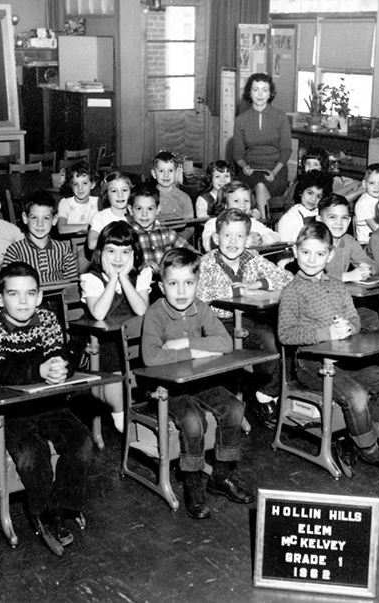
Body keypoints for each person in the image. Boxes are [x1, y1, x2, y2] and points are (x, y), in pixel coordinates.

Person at [0, 262, 93, 556]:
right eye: (14, 294)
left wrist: (59, 366)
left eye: (30, 294)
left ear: (40, 296)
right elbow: (0, 372)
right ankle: (42, 513)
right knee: (33, 453)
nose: (24, 301)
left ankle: (65, 505)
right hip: (6, 412)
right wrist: (40, 369)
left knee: (81, 441)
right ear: (0, 299)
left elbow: (57, 353)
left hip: (47, 404)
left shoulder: (48, 319)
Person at [278, 222, 379, 474]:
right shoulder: (292, 291)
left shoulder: (337, 286)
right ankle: (372, 453)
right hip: (311, 364)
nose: (311, 259)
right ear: (296, 252)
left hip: (344, 358)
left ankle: (358, 443)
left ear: (330, 256)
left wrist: (348, 328)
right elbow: (285, 334)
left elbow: (355, 320)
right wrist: (324, 333)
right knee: (356, 396)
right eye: (305, 252)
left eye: (319, 254)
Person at [142, 247, 255, 519]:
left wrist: (185, 344)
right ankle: (193, 487)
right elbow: (151, 356)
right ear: (161, 286)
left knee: (235, 408)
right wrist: (200, 351)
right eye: (173, 283)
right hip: (165, 389)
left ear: (197, 284)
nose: (181, 291)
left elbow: (225, 343)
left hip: (200, 381)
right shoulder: (155, 313)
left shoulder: (201, 308)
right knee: (193, 422)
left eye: (188, 283)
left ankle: (221, 477)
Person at [196, 209, 294, 429]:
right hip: (220, 325)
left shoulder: (253, 258)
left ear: (247, 239)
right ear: (215, 238)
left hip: (250, 320)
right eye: (227, 235)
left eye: (239, 236)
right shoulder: (207, 262)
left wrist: (259, 284)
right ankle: (265, 397)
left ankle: (268, 393)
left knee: (286, 340)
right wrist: (232, 291)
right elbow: (198, 293)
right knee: (269, 344)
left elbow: (287, 278)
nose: (233, 241)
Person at [81, 221, 151, 433]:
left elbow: (141, 310)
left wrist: (124, 278)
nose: (118, 259)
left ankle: (147, 419)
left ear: (134, 254)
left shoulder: (140, 275)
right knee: (114, 368)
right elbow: (99, 313)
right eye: (111, 251)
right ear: (101, 252)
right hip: (103, 344)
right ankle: (121, 419)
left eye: (125, 252)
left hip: (134, 340)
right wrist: (113, 279)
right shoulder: (91, 278)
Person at [317, 193, 379, 332]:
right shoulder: (314, 243)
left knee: (372, 317)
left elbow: (373, 264)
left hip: (341, 304)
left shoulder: (348, 241)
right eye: (332, 217)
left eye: (344, 218)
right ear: (319, 219)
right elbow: (315, 277)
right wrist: (348, 277)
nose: (339, 223)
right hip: (317, 308)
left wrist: (367, 269)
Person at [233, 73, 292, 220]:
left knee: (260, 187)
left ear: (270, 93)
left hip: (275, 171)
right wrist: (244, 166)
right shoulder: (241, 120)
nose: (260, 94)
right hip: (250, 171)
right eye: (256, 89)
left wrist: (274, 171)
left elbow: (286, 150)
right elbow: (237, 153)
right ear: (250, 92)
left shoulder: (280, 116)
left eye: (264, 90)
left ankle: (264, 224)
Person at [2, 191, 79, 286]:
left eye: (46, 218)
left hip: (57, 298)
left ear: (54, 220)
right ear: (25, 218)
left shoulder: (62, 249)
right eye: (34, 217)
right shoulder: (15, 251)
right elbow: (7, 284)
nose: (40, 224)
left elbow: (72, 283)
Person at [127, 183, 191, 276]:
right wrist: (140, 268)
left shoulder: (167, 233)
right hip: (138, 285)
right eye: (139, 208)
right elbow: (120, 265)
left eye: (150, 209)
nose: (144, 214)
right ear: (130, 209)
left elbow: (191, 253)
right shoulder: (127, 235)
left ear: (158, 209)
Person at [201, 181, 279, 251]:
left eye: (246, 201)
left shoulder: (252, 222)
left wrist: (261, 239)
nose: (243, 205)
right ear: (225, 204)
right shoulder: (213, 223)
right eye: (236, 201)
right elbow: (207, 245)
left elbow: (276, 236)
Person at [151, 152, 195, 242]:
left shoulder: (184, 198)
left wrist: (177, 241)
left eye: (170, 171)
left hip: (179, 240)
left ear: (177, 172)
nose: (166, 175)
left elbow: (190, 227)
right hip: (155, 239)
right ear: (154, 174)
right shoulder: (149, 198)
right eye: (161, 171)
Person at [276, 170, 327, 243]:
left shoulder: (322, 214)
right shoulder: (289, 219)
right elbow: (284, 247)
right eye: (310, 193)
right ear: (301, 191)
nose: (313, 199)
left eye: (318, 196)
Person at [87, 171, 132, 250]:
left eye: (124, 190)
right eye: (114, 191)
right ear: (106, 194)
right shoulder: (100, 217)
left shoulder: (136, 215)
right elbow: (92, 244)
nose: (120, 195)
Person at [56, 161, 98, 236]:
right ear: (71, 186)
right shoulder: (65, 203)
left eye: (85, 183)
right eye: (75, 184)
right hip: (70, 246)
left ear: (93, 184)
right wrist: (90, 227)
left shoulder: (98, 202)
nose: (80, 188)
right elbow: (61, 228)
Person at [353, 163, 379, 244]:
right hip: (366, 244)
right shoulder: (363, 203)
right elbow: (376, 228)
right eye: (372, 183)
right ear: (364, 184)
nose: (376, 187)